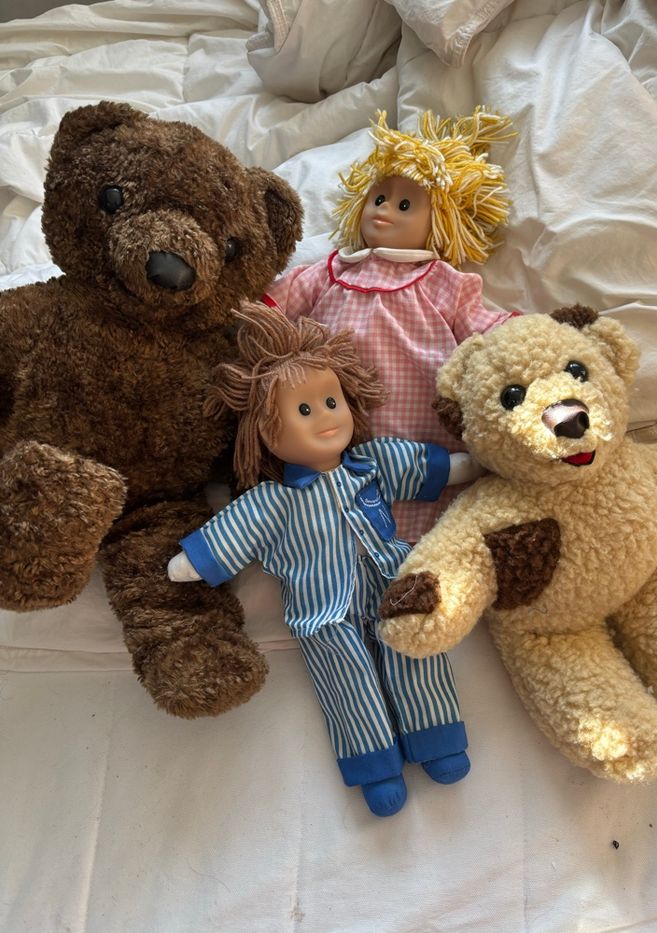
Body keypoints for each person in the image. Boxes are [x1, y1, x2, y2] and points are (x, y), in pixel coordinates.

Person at [167, 304, 473, 817]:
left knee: (415, 649)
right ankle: (374, 765)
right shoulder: (273, 501)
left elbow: (430, 467)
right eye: (304, 411)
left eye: (331, 402)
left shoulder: (370, 464)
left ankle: (437, 735)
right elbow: (231, 533)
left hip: (393, 583)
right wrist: (193, 562)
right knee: (344, 677)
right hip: (322, 609)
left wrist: (469, 465)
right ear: (265, 432)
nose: (326, 417)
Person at [264, 108, 517, 543]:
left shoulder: (441, 281)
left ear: (440, 222)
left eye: (404, 205)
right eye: (379, 198)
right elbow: (271, 308)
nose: (384, 211)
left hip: (418, 433)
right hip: (327, 428)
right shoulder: (331, 271)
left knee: (426, 503)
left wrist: (530, 336)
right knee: (329, 514)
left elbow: (487, 329)